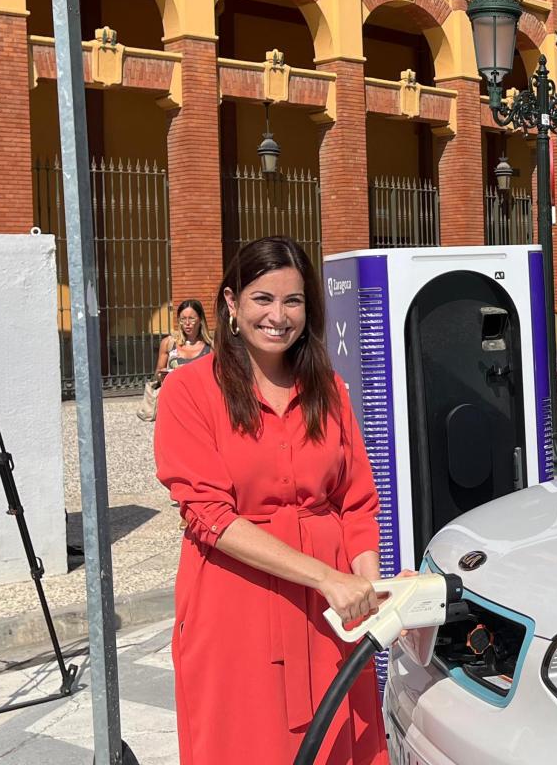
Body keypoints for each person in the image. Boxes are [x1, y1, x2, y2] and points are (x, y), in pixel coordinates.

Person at [154, 237, 390, 765]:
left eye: (293, 301)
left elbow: (356, 502)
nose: (278, 317)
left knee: (339, 740)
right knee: (245, 743)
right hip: (238, 603)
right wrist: (327, 578)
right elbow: (209, 516)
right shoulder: (190, 390)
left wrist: (368, 588)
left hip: (329, 611)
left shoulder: (328, 388)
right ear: (231, 303)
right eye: (263, 299)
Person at [154, 299, 212, 387]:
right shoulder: (168, 343)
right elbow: (157, 375)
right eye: (183, 319)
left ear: (200, 319)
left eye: (191, 318)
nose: (187, 323)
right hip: (175, 393)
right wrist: (162, 375)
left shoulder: (211, 346)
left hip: (199, 393)